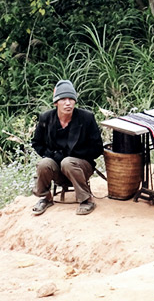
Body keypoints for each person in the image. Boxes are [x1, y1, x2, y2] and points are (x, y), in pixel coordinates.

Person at [31, 79, 103, 215]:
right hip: (57, 166)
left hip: (80, 166)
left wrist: (73, 154)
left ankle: (86, 200)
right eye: (63, 99)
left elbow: (97, 147)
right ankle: (45, 197)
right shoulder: (46, 118)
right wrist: (51, 155)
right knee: (43, 164)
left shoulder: (86, 118)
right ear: (56, 102)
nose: (68, 103)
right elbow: (36, 143)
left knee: (67, 162)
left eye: (71, 99)